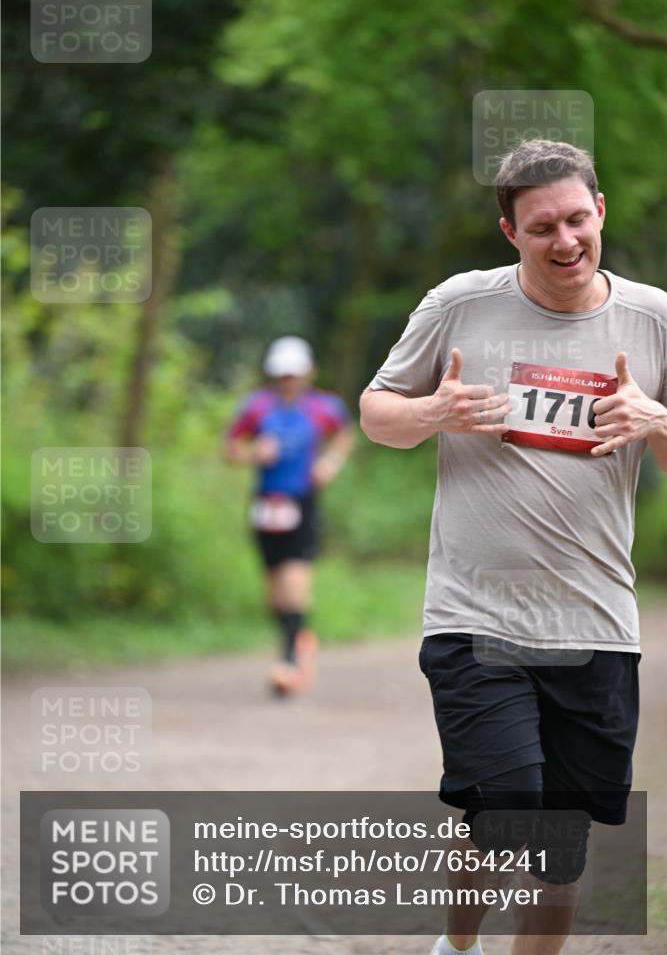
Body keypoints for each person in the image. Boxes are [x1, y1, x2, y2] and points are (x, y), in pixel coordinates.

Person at [360, 140, 667, 955]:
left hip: (595, 623)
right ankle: (456, 946)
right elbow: (375, 410)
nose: (563, 240)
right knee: (506, 807)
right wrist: (438, 412)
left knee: (560, 854)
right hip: (475, 615)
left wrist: (655, 422)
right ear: (509, 232)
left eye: (575, 219)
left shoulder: (653, 318)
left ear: (599, 211)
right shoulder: (459, 304)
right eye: (541, 228)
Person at [226, 336, 354, 695]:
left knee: (295, 579)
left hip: (302, 503)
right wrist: (253, 453)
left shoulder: (324, 407)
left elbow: (344, 436)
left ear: (308, 373)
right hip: (265, 504)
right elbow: (230, 447)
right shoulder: (256, 408)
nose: (288, 381)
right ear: (272, 375)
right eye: (282, 375)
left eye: (294, 374)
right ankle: (299, 639)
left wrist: (330, 463)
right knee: (273, 590)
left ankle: (288, 661)